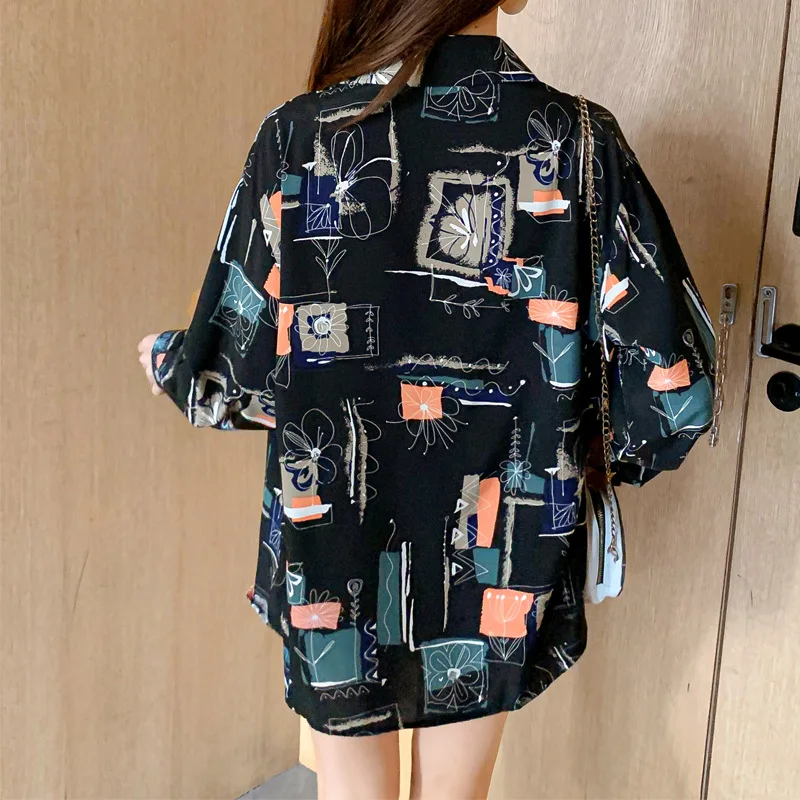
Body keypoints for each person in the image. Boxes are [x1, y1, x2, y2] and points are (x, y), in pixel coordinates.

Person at [137, 1, 716, 797]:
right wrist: (574, 453)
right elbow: (675, 388)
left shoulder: (298, 138)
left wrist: (171, 361)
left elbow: (234, 372)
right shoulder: (579, 144)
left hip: (332, 545)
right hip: (503, 550)